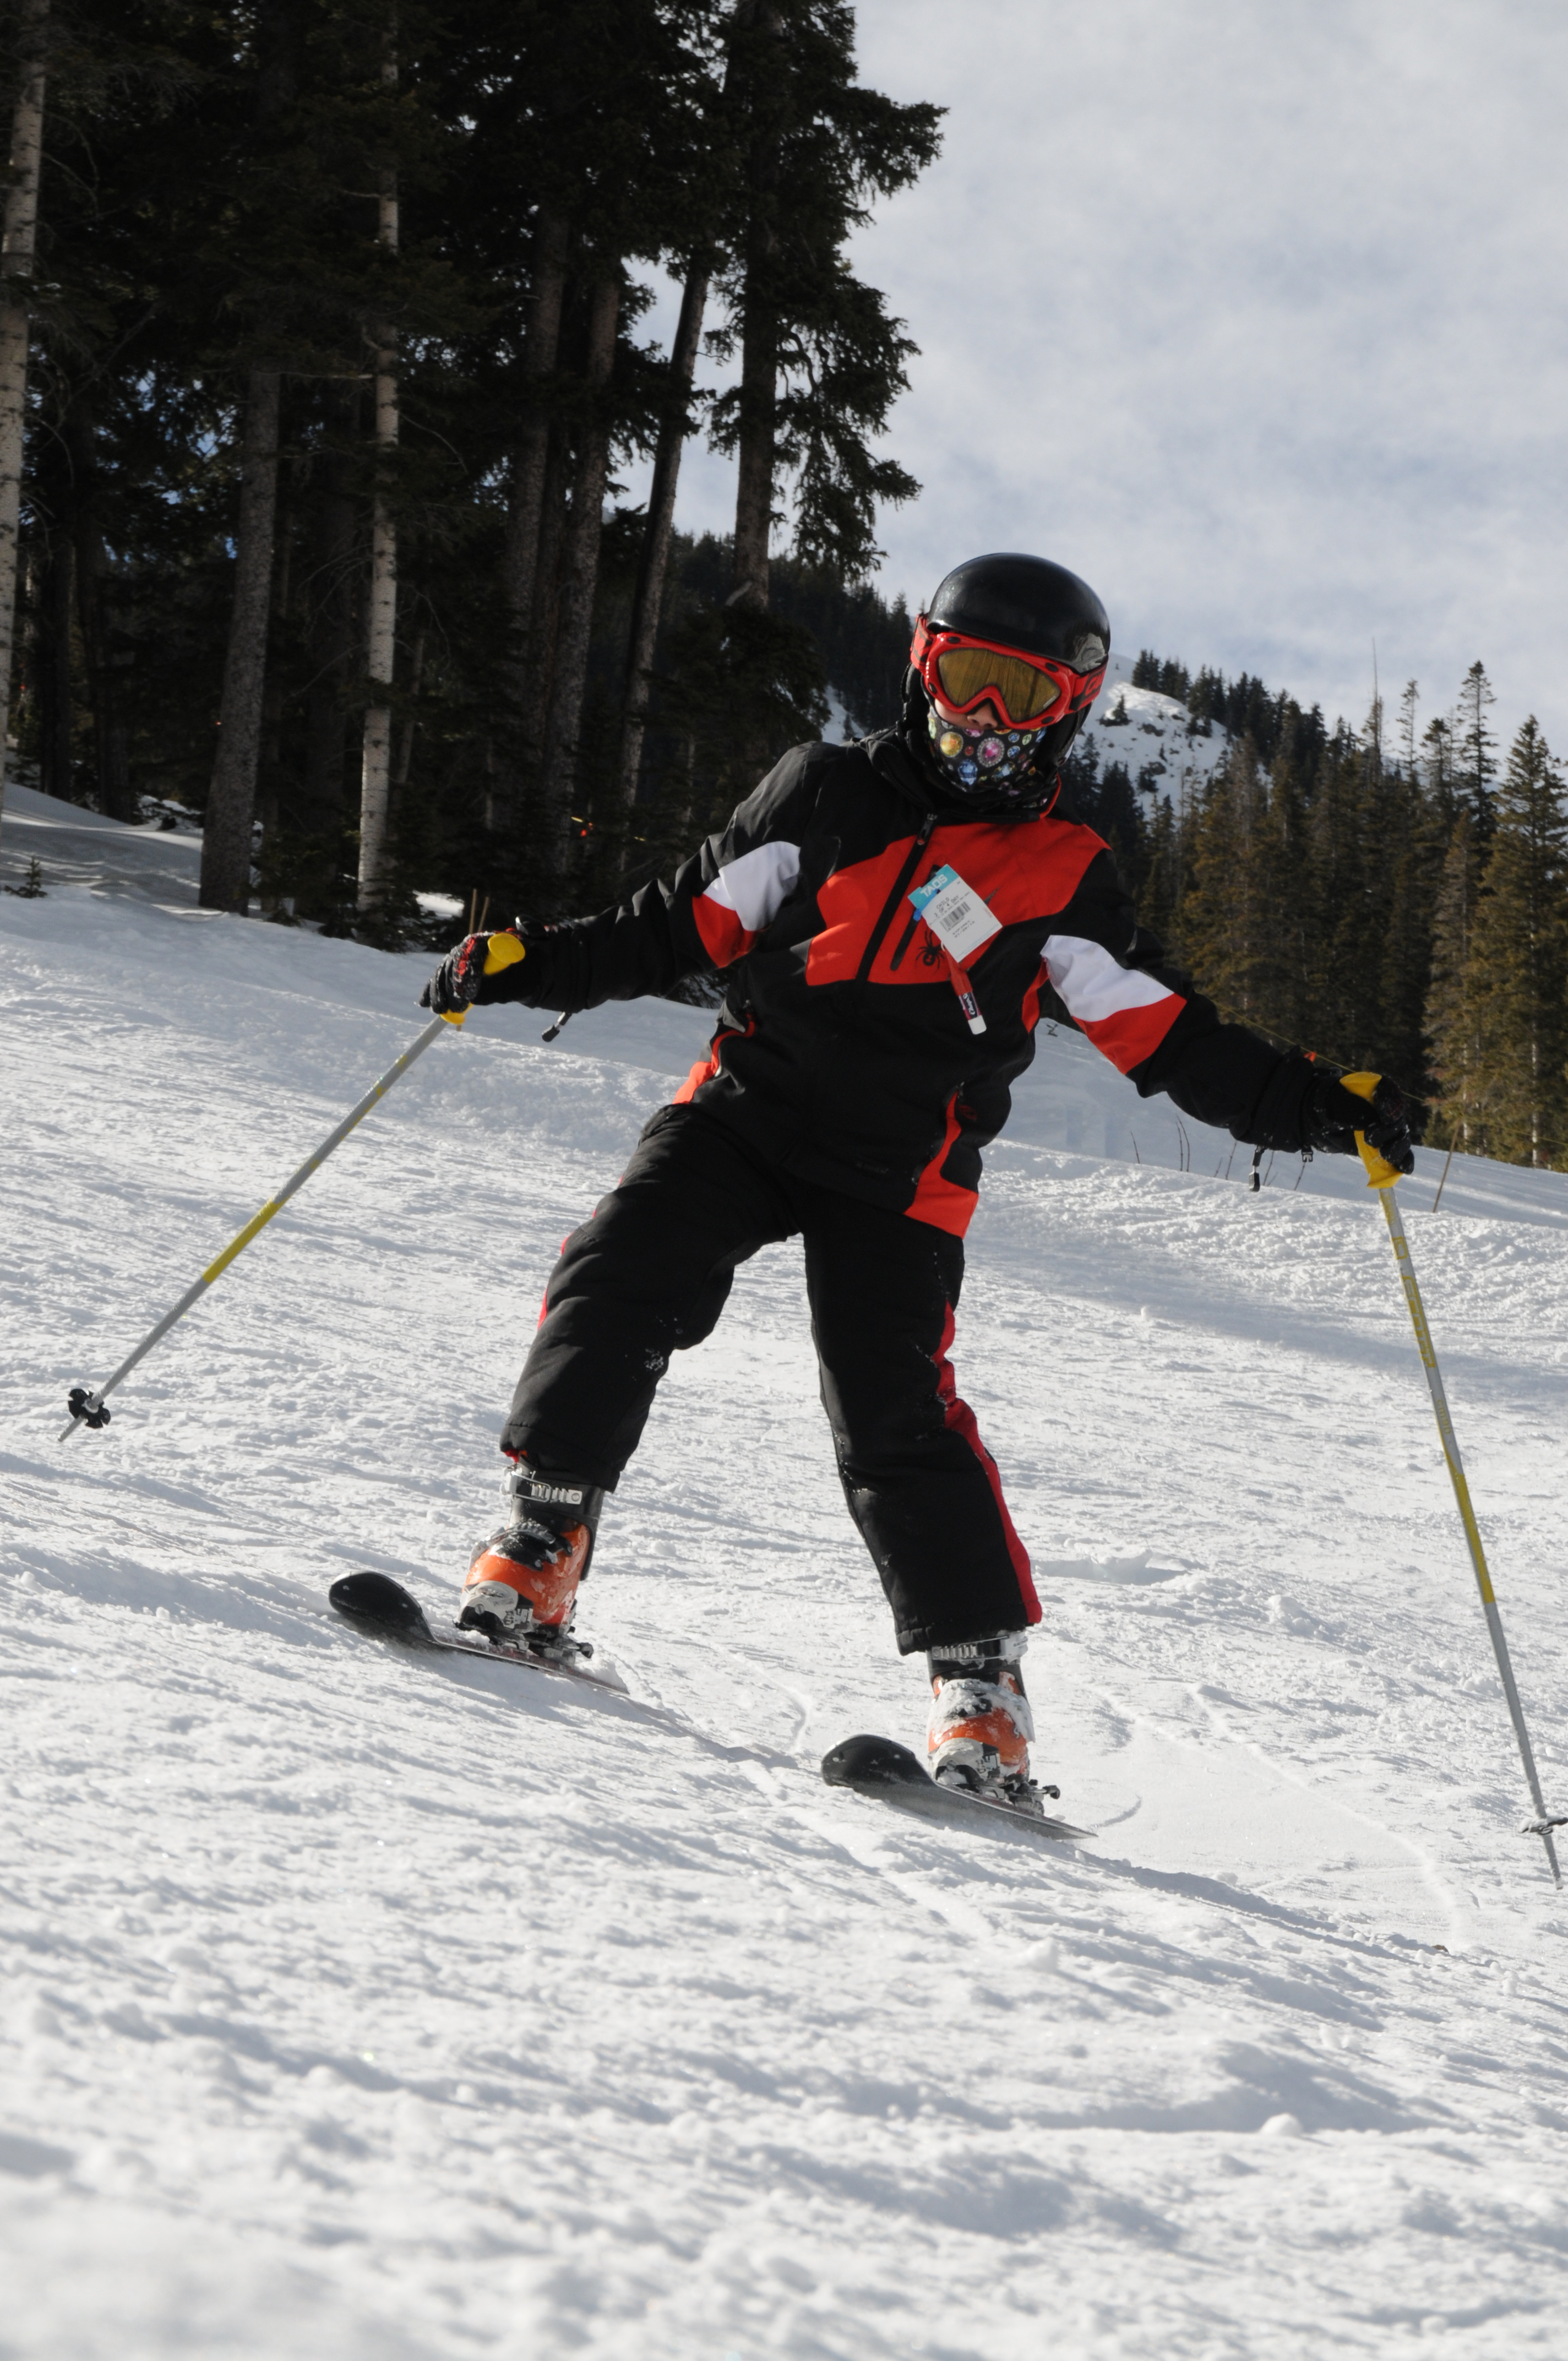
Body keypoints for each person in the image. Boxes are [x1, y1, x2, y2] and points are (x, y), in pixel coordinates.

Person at [420, 551, 1417, 1815]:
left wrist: (1317, 1104)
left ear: (1067, 705)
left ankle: (980, 1693)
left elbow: (1165, 1031)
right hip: (744, 1107)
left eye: (1020, 691)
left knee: (891, 1410)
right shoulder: (822, 792)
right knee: (619, 1267)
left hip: (902, 1170)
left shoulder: (1060, 870)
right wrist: (525, 961)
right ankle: (543, 1540)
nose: (983, 717)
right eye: (965, 678)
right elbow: (682, 923)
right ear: (921, 664)